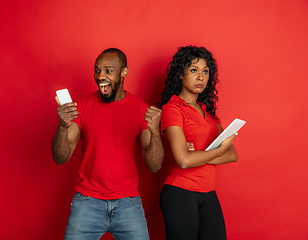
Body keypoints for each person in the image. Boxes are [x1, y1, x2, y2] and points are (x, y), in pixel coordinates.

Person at [51, 48, 164, 240]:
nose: (100, 76)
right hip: (87, 202)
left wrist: (154, 133)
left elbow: (154, 165)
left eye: (108, 71)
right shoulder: (82, 107)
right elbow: (61, 158)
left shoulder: (141, 110)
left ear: (124, 72)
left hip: (128, 203)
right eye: (97, 70)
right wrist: (62, 126)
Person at [158, 46, 238, 240]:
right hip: (180, 193)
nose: (201, 77)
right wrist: (216, 151)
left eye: (205, 71)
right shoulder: (172, 109)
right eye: (194, 70)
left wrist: (198, 156)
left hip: (209, 195)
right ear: (179, 74)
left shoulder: (209, 112)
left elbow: (232, 155)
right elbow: (184, 161)